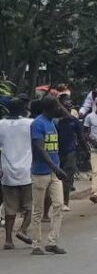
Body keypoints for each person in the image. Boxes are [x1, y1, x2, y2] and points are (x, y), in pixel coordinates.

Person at [29, 97, 69, 254]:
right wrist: (55, 167)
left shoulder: (52, 122)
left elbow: (68, 117)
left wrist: (56, 168)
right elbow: (39, 148)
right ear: (49, 109)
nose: (59, 109)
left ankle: (52, 241)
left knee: (58, 205)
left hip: (54, 171)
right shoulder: (38, 124)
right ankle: (36, 244)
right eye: (57, 107)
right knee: (38, 210)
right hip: (40, 172)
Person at [0, 97, 36, 250]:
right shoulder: (29, 123)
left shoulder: (1, 124)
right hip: (27, 170)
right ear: (22, 109)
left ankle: (8, 240)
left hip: (7, 171)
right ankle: (22, 230)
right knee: (29, 206)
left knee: (9, 208)